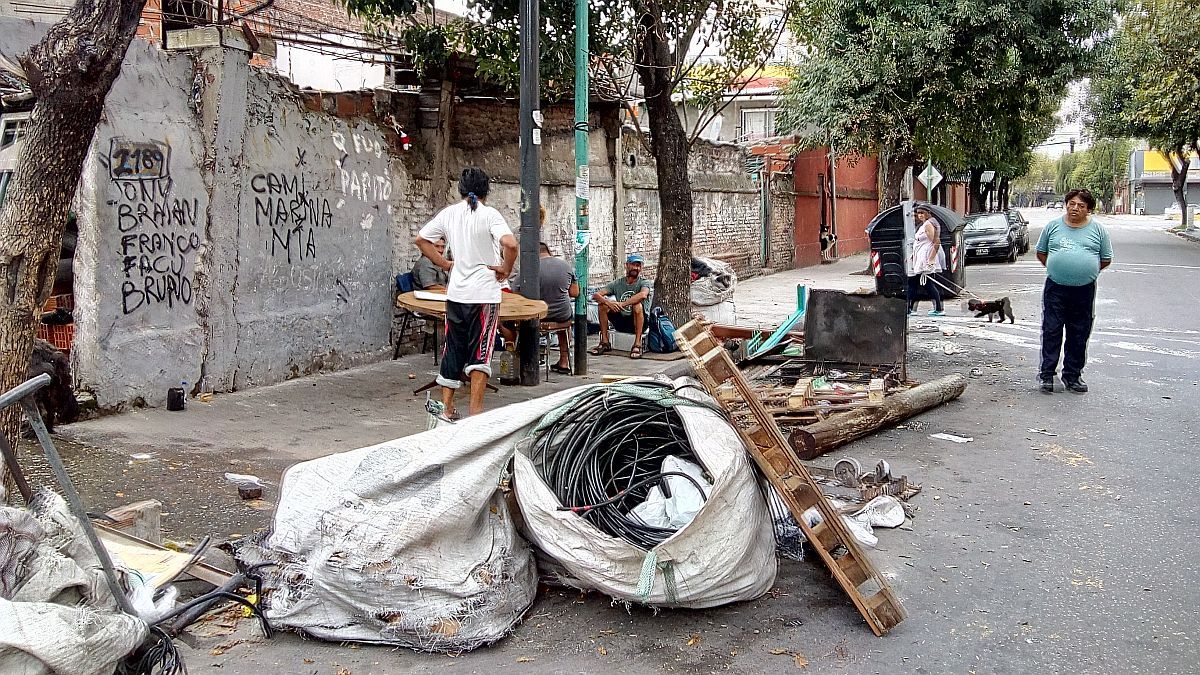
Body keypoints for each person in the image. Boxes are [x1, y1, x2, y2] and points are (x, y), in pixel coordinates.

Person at [415, 168, 518, 417]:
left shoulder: (449, 214)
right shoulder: (490, 215)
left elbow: (421, 240)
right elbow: (511, 244)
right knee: (480, 351)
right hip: (484, 295)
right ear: (486, 191)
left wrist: (445, 264)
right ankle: (475, 412)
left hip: (457, 294)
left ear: (460, 189)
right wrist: (505, 267)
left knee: (453, 348)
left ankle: (447, 408)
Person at [1036, 188, 1112, 394]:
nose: (1075, 208)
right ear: (1066, 204)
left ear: (1089, 210)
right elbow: (1041, 253)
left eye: (1081, 206)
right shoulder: (1052, 227)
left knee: (1079, 332)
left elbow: (1105, 259)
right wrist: (1058, 269)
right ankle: (1047, 375)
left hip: (1083, 290)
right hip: (1056, 288)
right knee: (1051, 329)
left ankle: (1072, 375)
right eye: (1072, 204)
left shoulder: (1098, 231)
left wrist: (1084, 272)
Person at [590, 254, 651, 359]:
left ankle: (637, 344)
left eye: (638, 265)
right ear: (626, 265)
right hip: (622, 321)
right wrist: (608, 302)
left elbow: (643, 295)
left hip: (639, 321)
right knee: (602, 305)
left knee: (637, 306)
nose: (636, 268)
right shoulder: (618, 283)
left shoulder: (644, 282)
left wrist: (622, 304)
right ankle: (605, 342)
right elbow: (596, 295)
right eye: (633, 265)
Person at [534, 241, 580, 374]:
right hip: (562, 315)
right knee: (564, 327)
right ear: (549, 252)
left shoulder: (529, 268)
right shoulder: (565, 266)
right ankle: (564, 360)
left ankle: (527, 358)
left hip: (539, 316)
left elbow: (517, 292)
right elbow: (575, 293)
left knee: (521, 322)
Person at [906, 205, 946, 316]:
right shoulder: (924, 225)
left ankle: (937, 309)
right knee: (917, 283)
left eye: (922, 213)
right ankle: (911, 308)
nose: (920, 215)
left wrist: (931, 260)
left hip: (926, 259)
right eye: (918, 213)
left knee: (925, 284)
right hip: (920, 257)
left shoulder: (928, 225)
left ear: (928, 213)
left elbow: (936, 243)